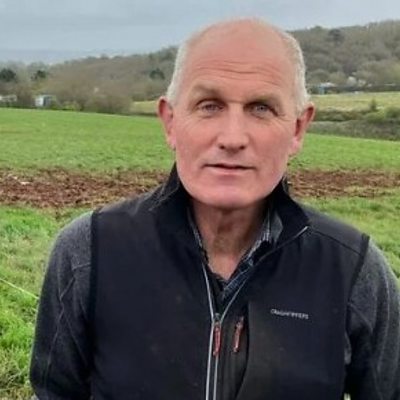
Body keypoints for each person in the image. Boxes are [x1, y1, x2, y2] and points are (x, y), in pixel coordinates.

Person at [30, 18, 400, 400]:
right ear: (171, 122)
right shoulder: (89, 253)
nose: (232, 138)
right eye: (209, 106)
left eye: (261, 108)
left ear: (297, 129)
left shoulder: (353, 271)